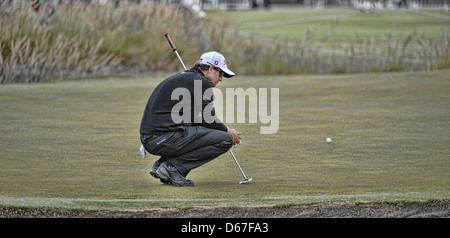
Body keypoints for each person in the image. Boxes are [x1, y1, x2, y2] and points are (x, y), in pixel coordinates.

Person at [140, 51, 242, 187]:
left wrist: (226, 129)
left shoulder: (187, 78)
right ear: (210, 68)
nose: (221, 79)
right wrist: (228, 133)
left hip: (152, 139)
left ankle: (162, 165)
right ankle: (173, 168)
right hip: (161, 138)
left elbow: (194, 119)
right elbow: (209, 119)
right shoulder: (201, 82)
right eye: (220, 73)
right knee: (224, 140)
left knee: (207, 131)